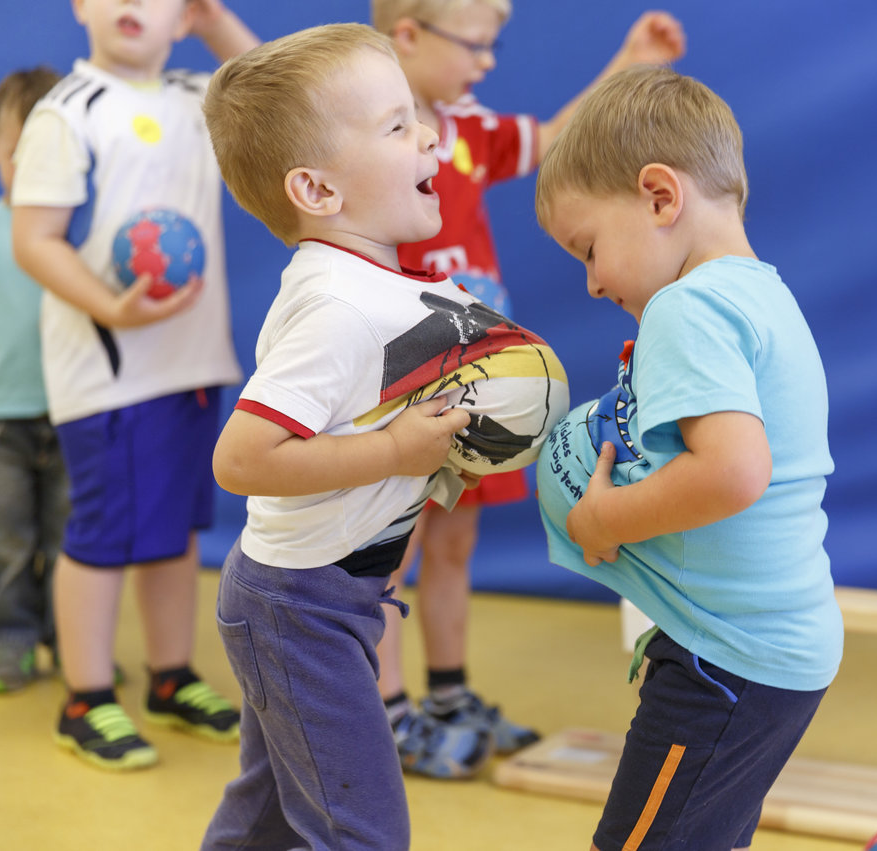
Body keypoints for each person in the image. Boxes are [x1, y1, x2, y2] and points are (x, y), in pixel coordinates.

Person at [199, 23, 568, 848]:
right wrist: (398, 453)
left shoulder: (383, 281)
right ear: (319, 191)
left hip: (324, 598)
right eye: (397, 126)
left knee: (267, 812)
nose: (429, 134)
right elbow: (241, 458)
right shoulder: (334, 307)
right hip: (300, 607)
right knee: (364, 831)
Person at [370, 0, 687, 778]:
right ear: (406, 35)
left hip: (478, 381)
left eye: (492, 46)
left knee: (455, 540)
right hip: (403, 383)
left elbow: (550, 139)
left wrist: (631, 56)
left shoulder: (467, 124)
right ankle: (386, 711)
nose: (486, 63)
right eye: (473, 47)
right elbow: (283, 101)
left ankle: (448, 692)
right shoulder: (368, 129)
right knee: (391, 551)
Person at [533, 66, 844, 851]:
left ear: (661, 197)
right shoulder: (757, 293)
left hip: (728, 659)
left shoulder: (690, 306)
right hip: (754, 649)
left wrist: (603, 514)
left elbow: (735, 470)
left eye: (590, 248)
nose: (594, 281)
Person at [10, 0, 259, 771]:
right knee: (106, 531)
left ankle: (170, 674)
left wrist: (218, 26)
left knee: (174, 531)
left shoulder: (199, 95)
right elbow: (34, 240)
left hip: (191, 363)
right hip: (110, 371)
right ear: (81, 5)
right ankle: (84, 696)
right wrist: (110, 308)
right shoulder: (65, 111)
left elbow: (283, 88)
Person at [0, 67, 65, 694]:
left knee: (68, 542)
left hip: (71, 413)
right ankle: (13, 639)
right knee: (5, 540)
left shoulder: (69, 233)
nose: (28, 169)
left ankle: (70, 637)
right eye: (16, 153)